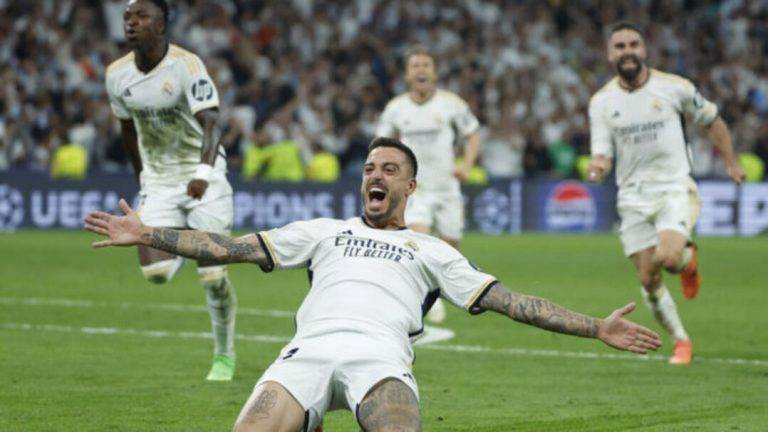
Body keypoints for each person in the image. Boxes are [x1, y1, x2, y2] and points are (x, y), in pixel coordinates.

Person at [86, 137, 662, 432]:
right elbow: (228, 249)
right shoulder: (323, 231)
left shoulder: (433, 251)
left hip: (381, 360)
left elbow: (513, 303)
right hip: (303, 355)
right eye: (368, 169)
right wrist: (149, 232)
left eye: (388, 169)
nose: (375, 177)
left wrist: (596, 327)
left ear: (411, 186)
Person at [587, 22, 746, 365]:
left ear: (644, 50)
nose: (627, 51)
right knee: (648, 277)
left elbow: (713, 120)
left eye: (633, 44)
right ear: (610, 54)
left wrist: (731, 164)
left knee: (670, 258)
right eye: (620, 46)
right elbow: (601, 151)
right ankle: (681, 341)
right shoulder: (601, 102)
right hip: (631, 197)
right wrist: (597, 167)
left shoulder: (674, 88)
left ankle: (688, 263)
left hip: (674, 187)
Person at [104, 0, 237, 380]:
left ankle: (224, 356)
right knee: (157, 273)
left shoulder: (186, 66)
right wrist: (143, 178)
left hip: (203, 178)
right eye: (128, 17)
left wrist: (203, 172)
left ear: (162, 25)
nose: (132, 22)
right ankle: (191, 241)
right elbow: (127, 129)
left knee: (213, 279)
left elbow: (212, 121)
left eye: (142, 16)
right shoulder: (116, 75)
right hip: (160, 183)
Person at [376, 46, 482, 323]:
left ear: (434, 72)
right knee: (419, 240)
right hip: (415, 188)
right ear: (407, 74)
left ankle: (433, 289)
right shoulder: (396, 108)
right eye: (415, 65)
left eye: (426, 64)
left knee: (450, 248)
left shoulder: (452, 104)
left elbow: (473, 135)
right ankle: (423, 298)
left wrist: (467, 165)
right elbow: (380, 144)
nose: (421, 69)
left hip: (447, 187)